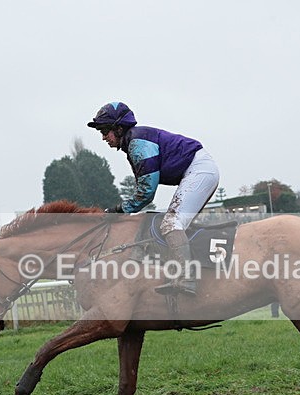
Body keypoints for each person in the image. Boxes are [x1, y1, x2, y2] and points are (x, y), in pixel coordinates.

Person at [88, 101, 220, 296]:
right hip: (198, 170)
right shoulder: (134, 141)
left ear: (118, 128)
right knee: (173, 223)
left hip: (199, 170)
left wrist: (118, 210)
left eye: (105, 131)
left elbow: (146, 193)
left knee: (171, 223)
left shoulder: (137, 143)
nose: (103, 137)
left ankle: (186, 279)